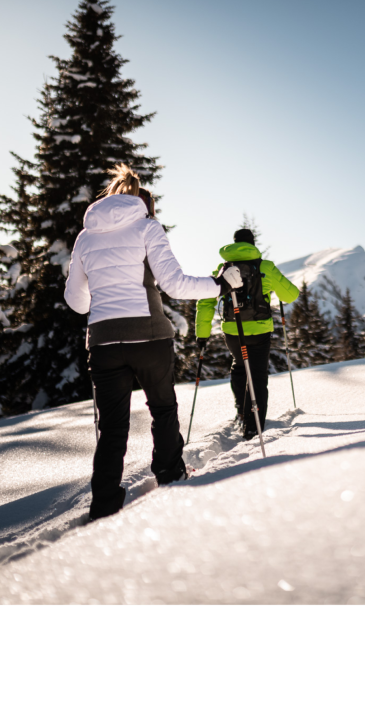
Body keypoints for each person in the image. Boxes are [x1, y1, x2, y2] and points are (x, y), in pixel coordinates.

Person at [64, 164, 242, 521]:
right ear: (141, 201)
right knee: (162, 408)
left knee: (111, 427)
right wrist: (221, 284)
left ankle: (103, 506)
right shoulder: (147, 227)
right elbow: (174, 285)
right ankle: (169, 473)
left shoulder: (85, 237)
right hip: (148, 335)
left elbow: (77, 301)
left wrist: (102, 297)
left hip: (102, 341)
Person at [196, 229, 299, 440]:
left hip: (233, 331)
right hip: (260, 330)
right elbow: (291, 295)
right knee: (258, 376)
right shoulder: (266, 267)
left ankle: (242, 412)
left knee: (239, 366)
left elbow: (206, 300)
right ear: (253, 243)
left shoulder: (222, 268)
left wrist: (202, 334)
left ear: (233, 244)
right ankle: (253, 427)